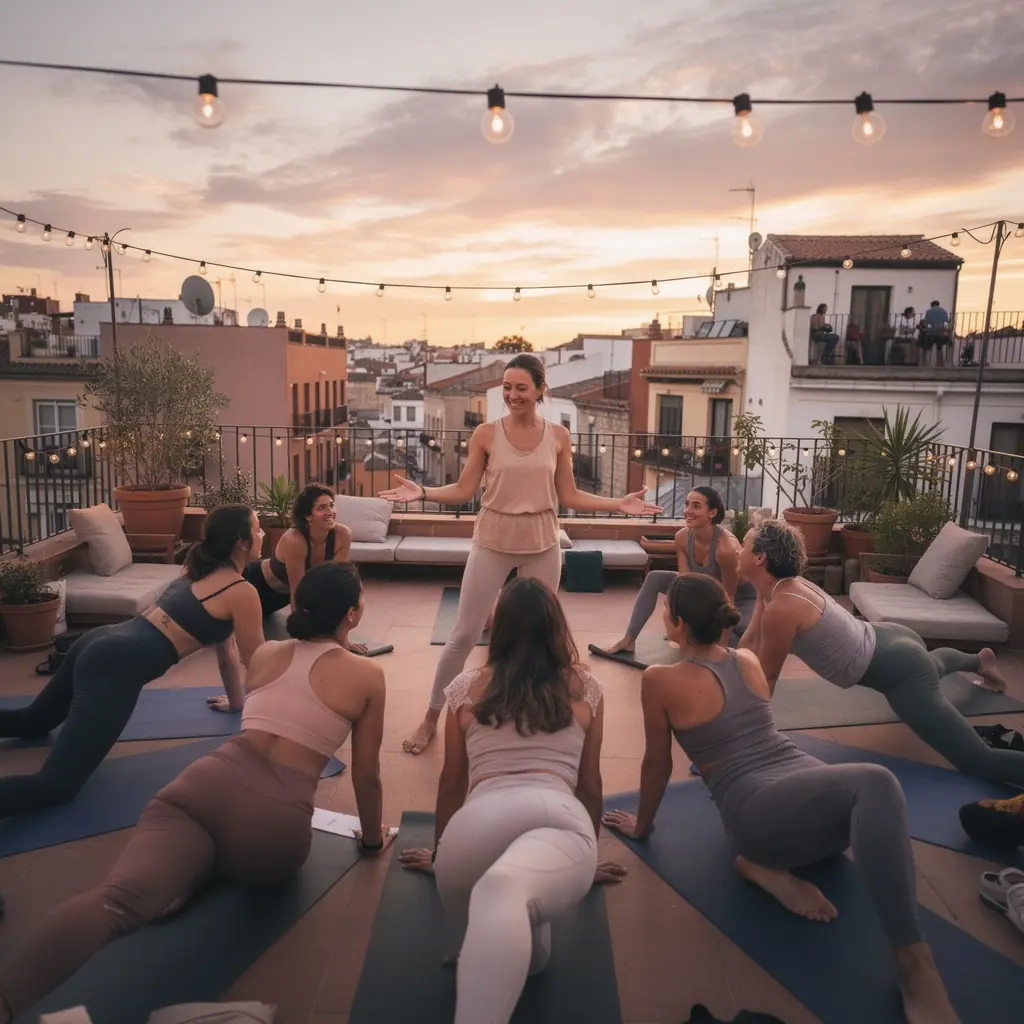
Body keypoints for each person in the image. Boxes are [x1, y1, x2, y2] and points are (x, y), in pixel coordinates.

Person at [0, 561, 390, 1022]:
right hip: (272, 828)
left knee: (117, 899)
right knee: (251, 861)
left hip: (202, 786)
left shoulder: (265, 655)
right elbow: (366, 774)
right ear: (351, 614)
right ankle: (201, 874)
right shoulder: (367, 676)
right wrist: (370, 842)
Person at [602, 573, 959, 1024]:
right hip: (756, 813)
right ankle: (915, 966)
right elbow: (659, 764)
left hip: (786, 807)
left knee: (870, 791)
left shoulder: (664, 677)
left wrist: (643, 824)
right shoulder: (739, 661)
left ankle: (764, 866)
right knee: (876, 783)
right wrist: (641, 826)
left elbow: (657, 764)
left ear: (676, 622)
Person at [379, 352, 662, 754]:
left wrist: (620, 505)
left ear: (541, 390)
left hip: (543, 542)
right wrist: (422, 492)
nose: (512, 395)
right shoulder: (487, 434)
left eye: (521, 388)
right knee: (463, 634)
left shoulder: (558, 436)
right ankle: (431, 716)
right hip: (493, 538)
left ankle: (540, 709)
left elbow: (568, 495)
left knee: (541, 635)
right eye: (507, 388)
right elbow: (464, 490)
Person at [398, 576, 625, 1024]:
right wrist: (585, 858)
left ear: (498, 629)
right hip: (557, 821)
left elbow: (451, 782)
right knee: (514, 913)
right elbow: (591, 785)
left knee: (522, 942)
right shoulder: (585, 687)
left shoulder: (465, 687)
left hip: (472, 837)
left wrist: (444, 855)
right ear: (556, 628)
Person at [0, 505, 268, 819]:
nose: (262, 534)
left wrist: (237, 702)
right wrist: (274, 728)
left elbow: (227, 649)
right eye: (258, 527)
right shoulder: (241, 591)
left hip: (100, 640)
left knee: (34, 721)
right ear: (241, 541)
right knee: (56, 786)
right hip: (114, 665)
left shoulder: (198, 567)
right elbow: (259, 663)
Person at [737, 519, 1021, 785]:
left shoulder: (783, 606)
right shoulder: (777, 588)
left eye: (744, 544)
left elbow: (767, 679)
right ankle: (979, 660)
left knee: (977, 759)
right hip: (890, 639)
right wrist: (730, 666)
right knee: (931, 665)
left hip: (901, 672)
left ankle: (977, 665)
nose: (739, 550)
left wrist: (745, 739)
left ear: (760, 557)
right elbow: (751, 639)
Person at [590, 486, 755, 659]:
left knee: (739, 632)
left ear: (712, 513)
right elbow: (685, 583)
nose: (688, 511)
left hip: (740, 599)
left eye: (696, 506)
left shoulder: (725, 548)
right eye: (687, 504)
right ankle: (629, 639)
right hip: (706, 591)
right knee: (655, 577)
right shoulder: (682, 537)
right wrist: (676, 616)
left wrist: (721, 648)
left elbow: (729, 598)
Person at [242, 483, 366, 654]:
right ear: (308, 515)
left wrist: (343, 640)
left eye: (331, 505)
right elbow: (297, 591)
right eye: (321, 508)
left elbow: (338, 585)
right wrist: (302, 642)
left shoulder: (342, 535)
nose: (330, 511)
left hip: (279, 599)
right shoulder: (295, 540)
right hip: (255, 587)